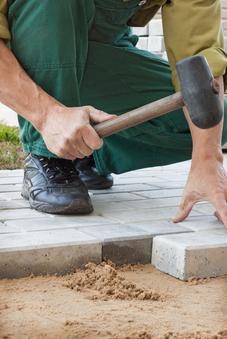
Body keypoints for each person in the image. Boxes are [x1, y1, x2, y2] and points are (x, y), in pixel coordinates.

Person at [0, 0, 227, 227]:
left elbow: (199, 54)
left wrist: (208, 158)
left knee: (214, 120)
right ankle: (48, 155)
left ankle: (85, 148)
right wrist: (47, 116)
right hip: (32, 49)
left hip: (104, 54)